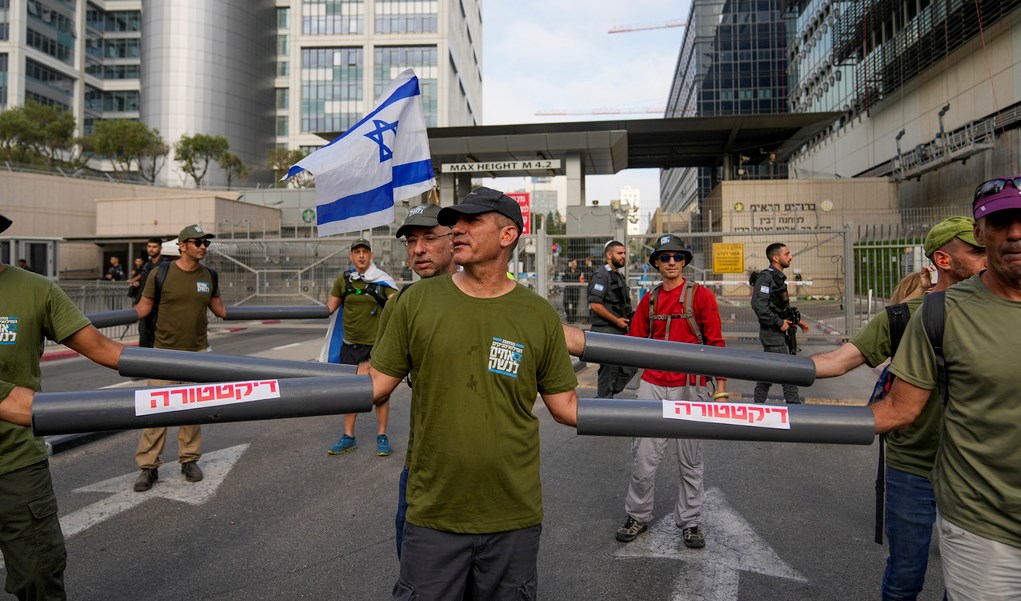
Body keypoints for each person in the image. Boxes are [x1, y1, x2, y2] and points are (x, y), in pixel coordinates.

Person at [366, 187, 578, 600]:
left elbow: (566, 407)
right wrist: (264, 394)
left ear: (507, 236)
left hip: (512, 512)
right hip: (434, 511)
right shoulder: (416, 302)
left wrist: (672, 411)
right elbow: (376, 384)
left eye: (471, 221)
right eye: (455, 222)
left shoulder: (537, 315)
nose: (457, 230)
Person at [812, 217, 986, 601]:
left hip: (977, 466)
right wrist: (777, 370)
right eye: (976, 250)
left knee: (970, 583)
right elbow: (839, 362)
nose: (987, 256)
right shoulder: (903, 315)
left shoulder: (1001, 309)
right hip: (915, 462)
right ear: (943, 259)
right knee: (907, 573)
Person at [873, 179, 1021, 600]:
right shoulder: (931, 315)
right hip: (973, 515)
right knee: (906, 576)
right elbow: (892, 406)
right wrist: (778, 414)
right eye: (1000, 223)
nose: (1014, 233)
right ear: (981, 233)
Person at [0, 212, 126, 600]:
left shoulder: (35, 289)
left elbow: (104, 349)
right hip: (22, 420)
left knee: (40, 577)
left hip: (16, 462)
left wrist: (211, 373)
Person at [614, 234, 728, 550]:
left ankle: (690, 522)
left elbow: (717, 343)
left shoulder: (701, 296)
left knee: (690, 460)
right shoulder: (649, 301)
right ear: (656, 264)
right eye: (665, 258)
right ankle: (637, 515)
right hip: (652, 385)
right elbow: (633, 343)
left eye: (678, 257)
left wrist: (720, 388)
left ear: (685, 262)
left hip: (690, 386)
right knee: (643, 459)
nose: (672, 262)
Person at [377, 203, 457, 559]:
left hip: (490, 465)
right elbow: (379, 377)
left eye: (428, 238)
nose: (418, 249)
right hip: (423, 461)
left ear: (455, 239)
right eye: (411, 241)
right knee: (416, 564)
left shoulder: (493, 294)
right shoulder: (403, 302)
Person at [130, 225, 227, 492]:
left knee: (192, 411)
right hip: (163, 353)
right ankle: (148, 466)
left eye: (205, 243)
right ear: (182, 246)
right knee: (156, 411)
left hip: (197, 353)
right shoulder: (161, 273)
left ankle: (189, 460)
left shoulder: (209, 276)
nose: (203, 247)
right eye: (197, 242)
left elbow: (220, 309)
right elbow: (144, 308)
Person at [323, 237, 398, 456]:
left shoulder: (381, 280)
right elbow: (330, 307)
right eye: (357, 252)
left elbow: (397, 303)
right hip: (350, 346)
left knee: (381, 394)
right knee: (350, 393)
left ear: (371, 256)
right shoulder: (344, 280)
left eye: (365, 251)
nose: (362, 255)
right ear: (351, 256)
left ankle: (382, 436)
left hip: (375, 347)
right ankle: (348, 436)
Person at [751, 243, 809, 403]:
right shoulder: (766, 277)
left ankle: (758, 405)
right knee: (787, 372)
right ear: (776, 258)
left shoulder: (777, 278)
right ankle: (795, 408)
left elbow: (779, 307)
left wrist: (796, 322)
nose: (790, 257)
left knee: (768, 373)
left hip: (779, 332)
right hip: (772, 333)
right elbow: (759, 305)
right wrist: (778, 322)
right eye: (787, 254)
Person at [587, 240, 637, 398]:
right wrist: (616, 320)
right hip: (606, 332)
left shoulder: (617, 275)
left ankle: (605, 398)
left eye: (624, 253)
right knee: (609, 373)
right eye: (619, 253)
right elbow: (595, 304)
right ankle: (602, 405)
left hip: (618, 331)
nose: (623, 256)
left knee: (630, 365)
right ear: (609, 255)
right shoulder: (601, 275)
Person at [133, 238, 166, 348]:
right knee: (144, 338)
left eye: (154, 247)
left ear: (160, 248)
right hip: (144, 307)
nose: (151, 249)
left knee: (158, 341)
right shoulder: (146, 265)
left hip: (159, 309)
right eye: (149, 246)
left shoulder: (165, 265)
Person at [561, 258, 583, 323]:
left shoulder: (579, 271)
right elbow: (564, 279)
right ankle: (568, 316)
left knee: (574, 304)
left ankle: (573, 318)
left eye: (575, 263)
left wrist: (569, 278)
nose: (574, 264)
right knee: (565, 302)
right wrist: (572, 279)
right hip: (568, 288)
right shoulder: (567, 270)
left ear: (577, 264)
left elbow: (580, 279)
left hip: (575, 289)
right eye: (573, 263)